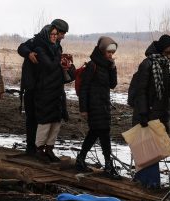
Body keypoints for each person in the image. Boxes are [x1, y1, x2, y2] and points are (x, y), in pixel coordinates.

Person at [129, 34, 170, 189]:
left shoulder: (168, 65)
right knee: (147, 150)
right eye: (168, 52)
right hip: (147, 113)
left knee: (155, 151)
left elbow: (169, 94)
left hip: (161, 114)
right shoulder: (147, 64)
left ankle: (147, 182)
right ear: (162, 50)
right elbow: (141, 91)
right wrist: (143, 113)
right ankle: (149, 183)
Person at [18, 18, 70, 156]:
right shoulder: (37, 41)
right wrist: (29, 54)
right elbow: (21, 47)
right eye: (62, 33)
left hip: (45, 88)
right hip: (32, 86)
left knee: (43, 119)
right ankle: (31, 148)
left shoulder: (56, 46)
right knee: (32, 118)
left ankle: (39, 148)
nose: (63, 36)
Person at [76, 37, 120, 177]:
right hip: (93, 106)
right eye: (109, 52)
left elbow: (112, 85)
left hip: (104, 104)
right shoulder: (92, 65)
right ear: (102, 50)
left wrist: (113, 68)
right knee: (103, 132)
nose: (111, 55)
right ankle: (108, 165)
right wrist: (83, 109)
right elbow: (84, 88)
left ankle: (81, 159)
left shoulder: (108, 65)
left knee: (95, 132)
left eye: (112, 53)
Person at [29, 23, 72, 162]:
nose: (54, 37)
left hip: (57, 90)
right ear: (47, 35)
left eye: (55, 34)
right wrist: (59, 59)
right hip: (45, 89)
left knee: (56, 121)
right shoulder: (40, 48)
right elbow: (49, 66)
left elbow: (57, 67)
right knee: (45, 122)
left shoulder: (57, 48)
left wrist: (67, 63)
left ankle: (49, 149)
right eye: (52, 34)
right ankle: (39, 150)